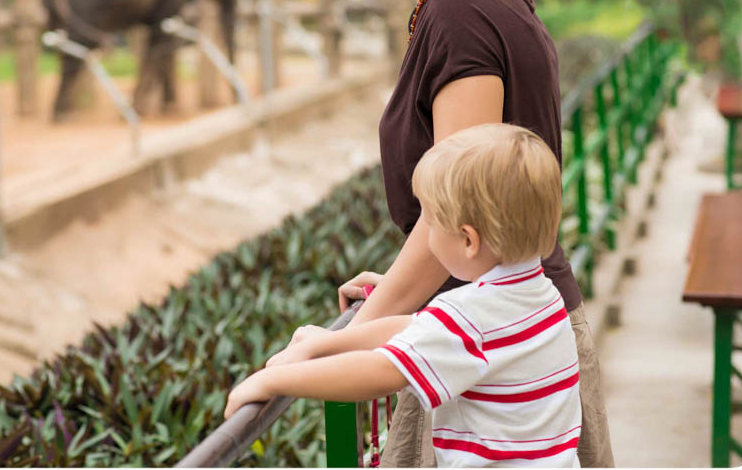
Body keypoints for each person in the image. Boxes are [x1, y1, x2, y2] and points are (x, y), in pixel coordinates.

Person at [269, 0, 614, 467]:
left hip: (486, 360)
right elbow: (464, 227)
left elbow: (461, 207)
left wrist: (351, 335)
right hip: (496, 329)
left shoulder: (459, 12)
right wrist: (414, 279)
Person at [227, 124, 582, 467]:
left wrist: (270, 380)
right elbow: (416, 327)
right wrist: (326, 343)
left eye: (430, 218)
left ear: (468, 240)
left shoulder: (471, 316)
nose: (424, 232)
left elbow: (381, 370)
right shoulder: (538, 295)